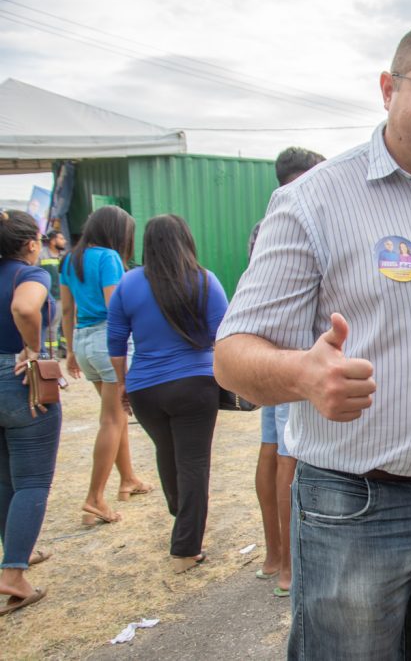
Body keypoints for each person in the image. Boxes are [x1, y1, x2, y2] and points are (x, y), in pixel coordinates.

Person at [214, 19, 411, 659]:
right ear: (388, 88)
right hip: (358, 504)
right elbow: (232, 353)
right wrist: (303, 376)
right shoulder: (314, 201)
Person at [106, 215, 228, 573]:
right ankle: (186, 548)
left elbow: (115, 341)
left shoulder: (128, 284)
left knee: (167, 452)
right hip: (194, 384)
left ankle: (183, 517)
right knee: (193, 463)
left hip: (145, 387)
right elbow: (223, 335)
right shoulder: (204, 280)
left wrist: (122, 383)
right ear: (186, 241)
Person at [250, 146, 325, 597]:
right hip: (295, 362)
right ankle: (288, 568)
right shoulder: (293, 217)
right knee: (287, 458)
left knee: (271, 448)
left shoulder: (263, 224)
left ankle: (274, 554)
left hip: (271, 360)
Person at [60, 206, 152, 526]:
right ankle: (94, 498)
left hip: (83, 341)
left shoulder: (70, 259)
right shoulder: (108, 258)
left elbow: (67, 309)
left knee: (116, 415)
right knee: (112, 419)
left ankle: (128, 479)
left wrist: (70, 351)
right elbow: (116, 307)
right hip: (106, 341)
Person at [0, 210, 60, 615]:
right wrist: (33, 349)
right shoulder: (30, 275)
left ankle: (16, 551)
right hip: (16, 380)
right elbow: (26, 309)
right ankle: (13, 575)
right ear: (31, 244)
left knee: (5, 475)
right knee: (33, 480)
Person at [38, 230, 66, 357]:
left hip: (65, 296)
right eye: (61, 238)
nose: (64, 241)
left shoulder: (64, 256)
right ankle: (51, 354)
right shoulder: (41, 255)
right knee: (52, 327)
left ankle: (64, 350)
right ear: (53, 241)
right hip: (51, 297)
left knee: (65, 325)